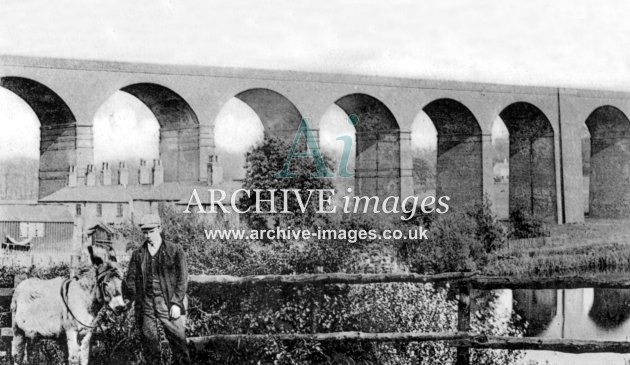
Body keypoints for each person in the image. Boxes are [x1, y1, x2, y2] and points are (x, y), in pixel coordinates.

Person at [125, 213, 191, 365]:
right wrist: (135, 298)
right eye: (145, 232)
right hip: (146, 304)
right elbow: (131, 279)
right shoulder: (138, 254)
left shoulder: (175, 250)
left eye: (151, 231)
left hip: (167, 303)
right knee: (150, 344)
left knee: (178, 342)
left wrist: (176, 303)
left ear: (159, 229)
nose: (148, 235)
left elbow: (182, 279)